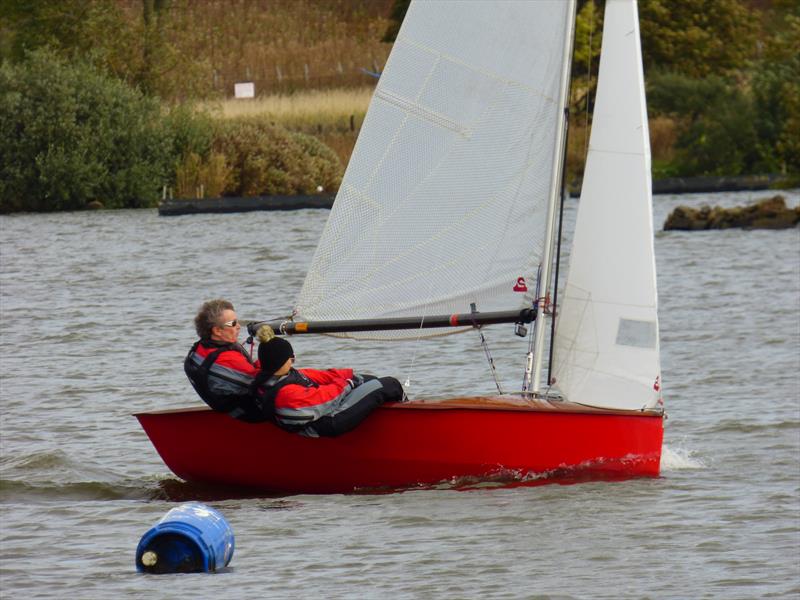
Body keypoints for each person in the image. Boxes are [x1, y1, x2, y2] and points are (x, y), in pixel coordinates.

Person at [252, 327, 405, 437]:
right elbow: (323, 398)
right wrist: (349, 384)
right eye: (292, 358)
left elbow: (323, 376)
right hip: (328, 422)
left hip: (321, 411)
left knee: (370, 380)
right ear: (283, 361)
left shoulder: (273, 376)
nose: (294, 360)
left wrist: (352, 375)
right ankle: (406, 420)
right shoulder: (286, 395)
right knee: (389, 384)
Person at [184, 299, 265, 422]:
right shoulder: (227, 359)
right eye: (233, 324)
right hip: (252, 414)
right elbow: (266, 382)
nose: (238, 327)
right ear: (217, 330)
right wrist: (273, 355)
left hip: (230, 402)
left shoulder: (199, 349)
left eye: (237, 322)